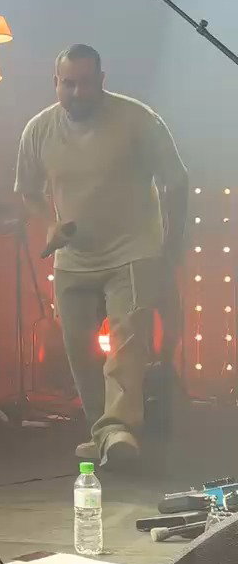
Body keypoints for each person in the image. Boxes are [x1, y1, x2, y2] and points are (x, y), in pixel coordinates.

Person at [15, 43, 188, 469]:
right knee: (78, 350)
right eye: (68, 84)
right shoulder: (38, 130)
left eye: (86, 83)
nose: (77, 92)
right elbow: (28, 190)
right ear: (56, 83)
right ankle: (104, 432)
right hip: (73, 258)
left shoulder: (138, 119)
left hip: (133, 251)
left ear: (102, 81)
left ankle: (120, 429)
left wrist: (171, 246)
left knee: (127, 343)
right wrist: (49, 223)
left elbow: (176, 180)